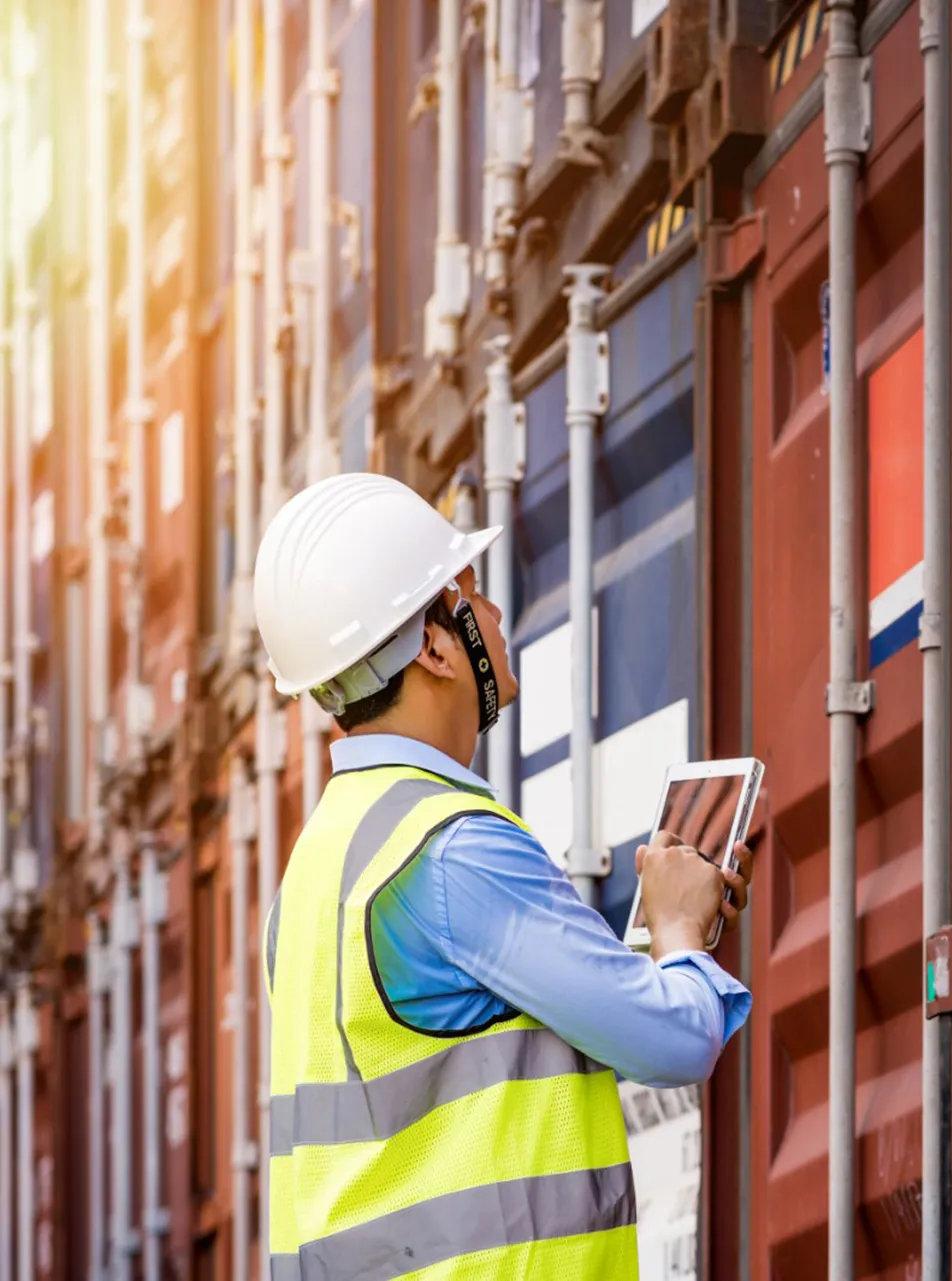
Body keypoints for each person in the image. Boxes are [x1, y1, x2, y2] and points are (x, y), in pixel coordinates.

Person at [252, 471, 752, 1278]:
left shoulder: (310, 878)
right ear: (435, 646)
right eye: (472, 595)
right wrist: (681, 928)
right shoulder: (453, 849)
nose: (493, 615)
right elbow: (676, 1037)